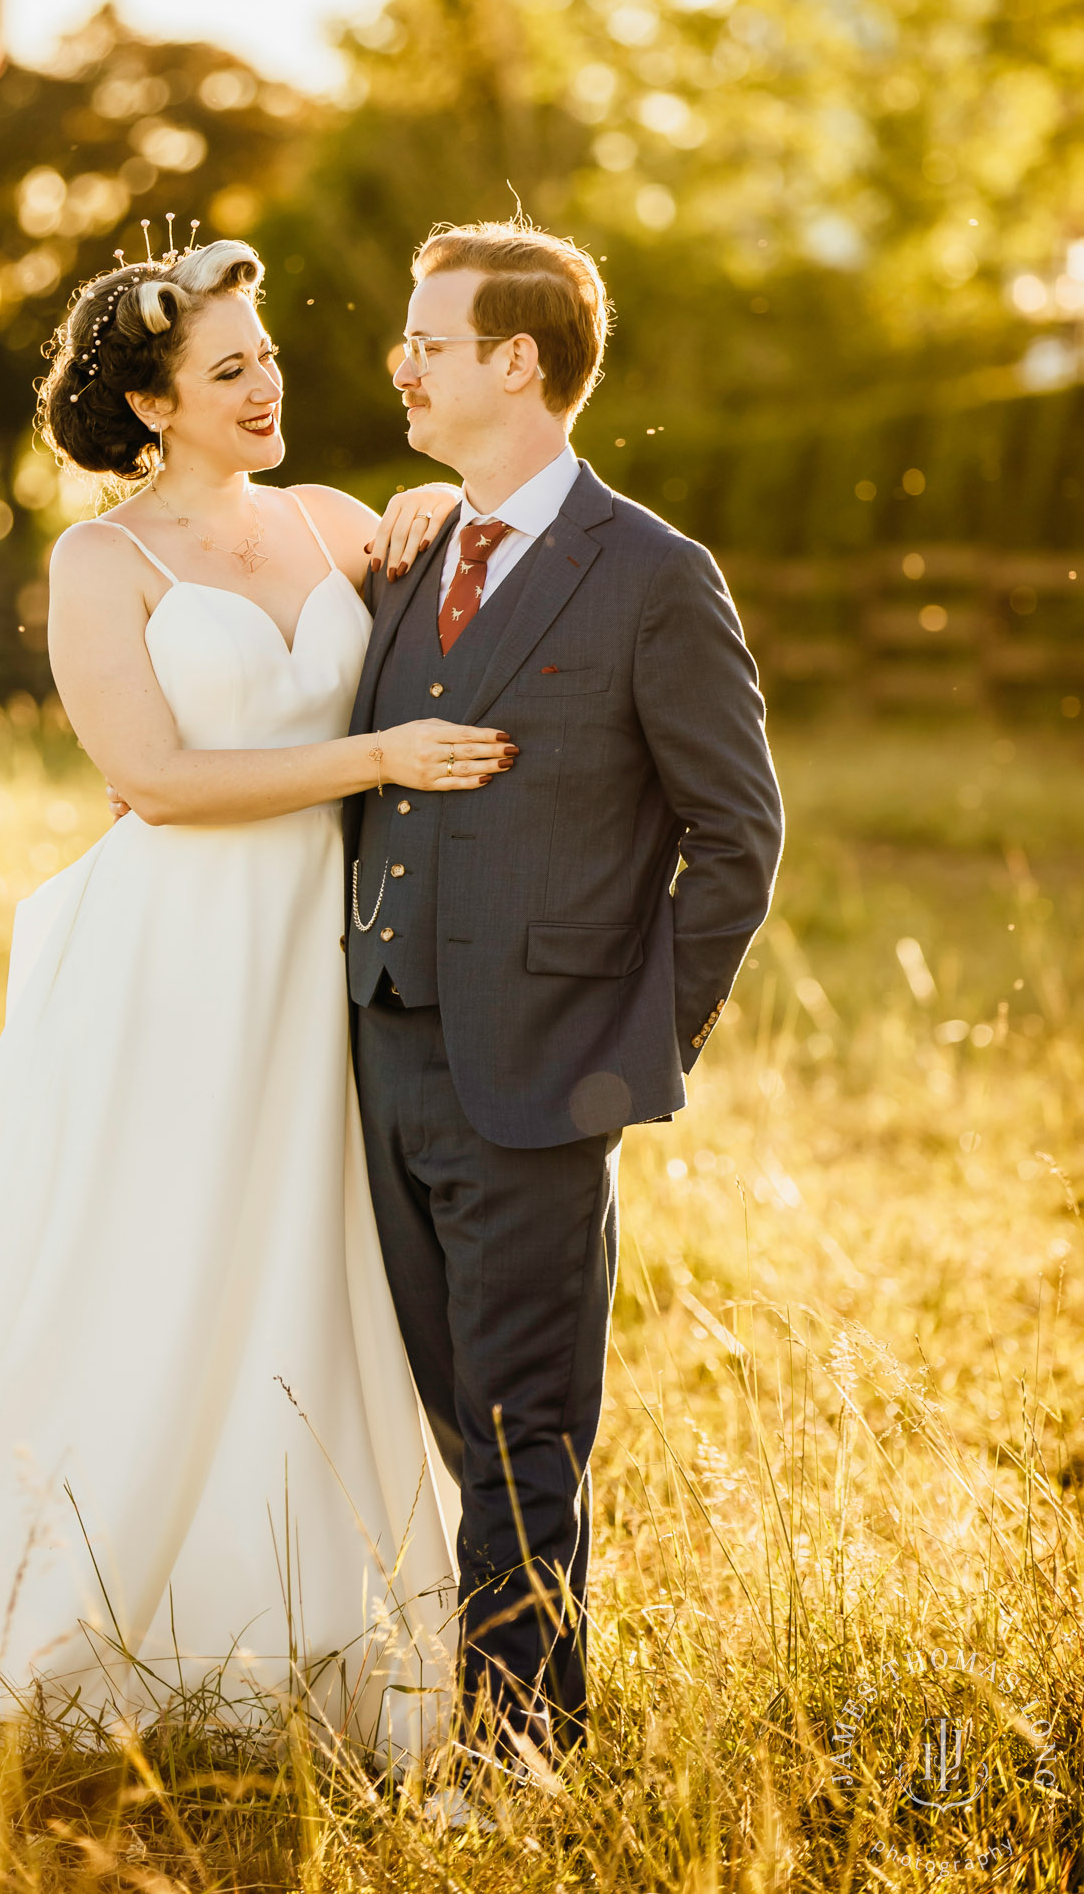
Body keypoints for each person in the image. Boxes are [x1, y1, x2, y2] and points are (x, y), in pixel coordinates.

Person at [0, 236, 512, 1779]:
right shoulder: (101, 565)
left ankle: (300, 1622)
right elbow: (159, 782)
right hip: (172, 965)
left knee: (310, 1270)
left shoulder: (335, 522)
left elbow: (458, 563)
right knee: (152, 1263)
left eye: (267, 360)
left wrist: (440, 503)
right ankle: (82, 1617)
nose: (268, 389)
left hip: (315, 968)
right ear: (150, 399)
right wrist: (378, 764)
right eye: (230, 370)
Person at [346, 221, 784, 1764]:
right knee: (443, 1419)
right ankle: (434, 1702)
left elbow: (739, 836)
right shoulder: (408, 552)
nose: (402, 363)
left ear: (517, 363)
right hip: (377, 1057)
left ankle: (523, 1751)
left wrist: (634, 1041)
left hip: (546, 1077)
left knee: (528, 1433)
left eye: (432, 343)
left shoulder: (655, 574)